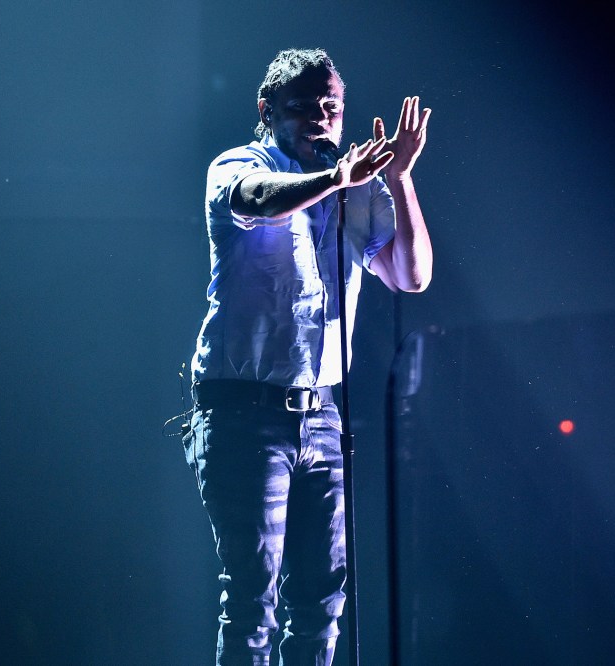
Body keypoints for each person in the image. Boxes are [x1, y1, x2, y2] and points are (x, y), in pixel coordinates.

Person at [183, 48, 432, 665]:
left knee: (322, 603)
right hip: (244, 414)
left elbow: (412, 276)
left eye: (331, 107)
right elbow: (258, 200)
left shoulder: (358, 189)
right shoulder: (240, 165)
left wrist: (399, 179)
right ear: (267, 110)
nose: (320, 119)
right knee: (253, 601)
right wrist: (336, 179)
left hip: (322, 416)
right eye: (303, 107)